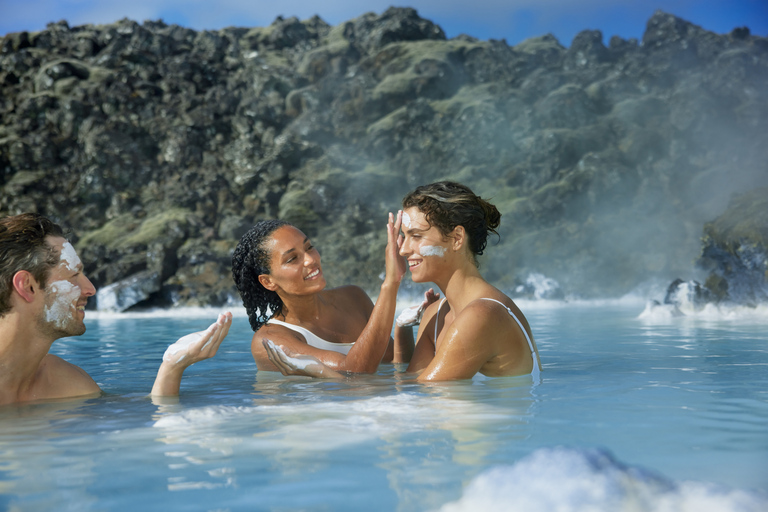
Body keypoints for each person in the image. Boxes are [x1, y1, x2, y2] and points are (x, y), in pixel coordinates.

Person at [264, 181, 541, 381]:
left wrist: (320, 373)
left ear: (457, 238)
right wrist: (403, 329)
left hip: (504, 455)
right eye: (403, 236)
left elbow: (412, 404)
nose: (404, 249)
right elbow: (406, 385)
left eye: (416, 236)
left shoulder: (482, 315)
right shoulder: (436, 313)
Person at [0, 213, 231, 405]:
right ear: (27, 286)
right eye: (74, 275)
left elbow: (134, 423)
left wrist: (172, 367)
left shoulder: (68, 384)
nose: (90, 289)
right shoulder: (65, 385)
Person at [231, 214, 426, 374]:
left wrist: (402, 327)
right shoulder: (270, 341)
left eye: (309, 247)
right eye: (292, 259)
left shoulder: (353, 297)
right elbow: (355, 373)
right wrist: (391, 283)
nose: (310, 260)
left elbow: (393, 364)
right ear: (268, 281)